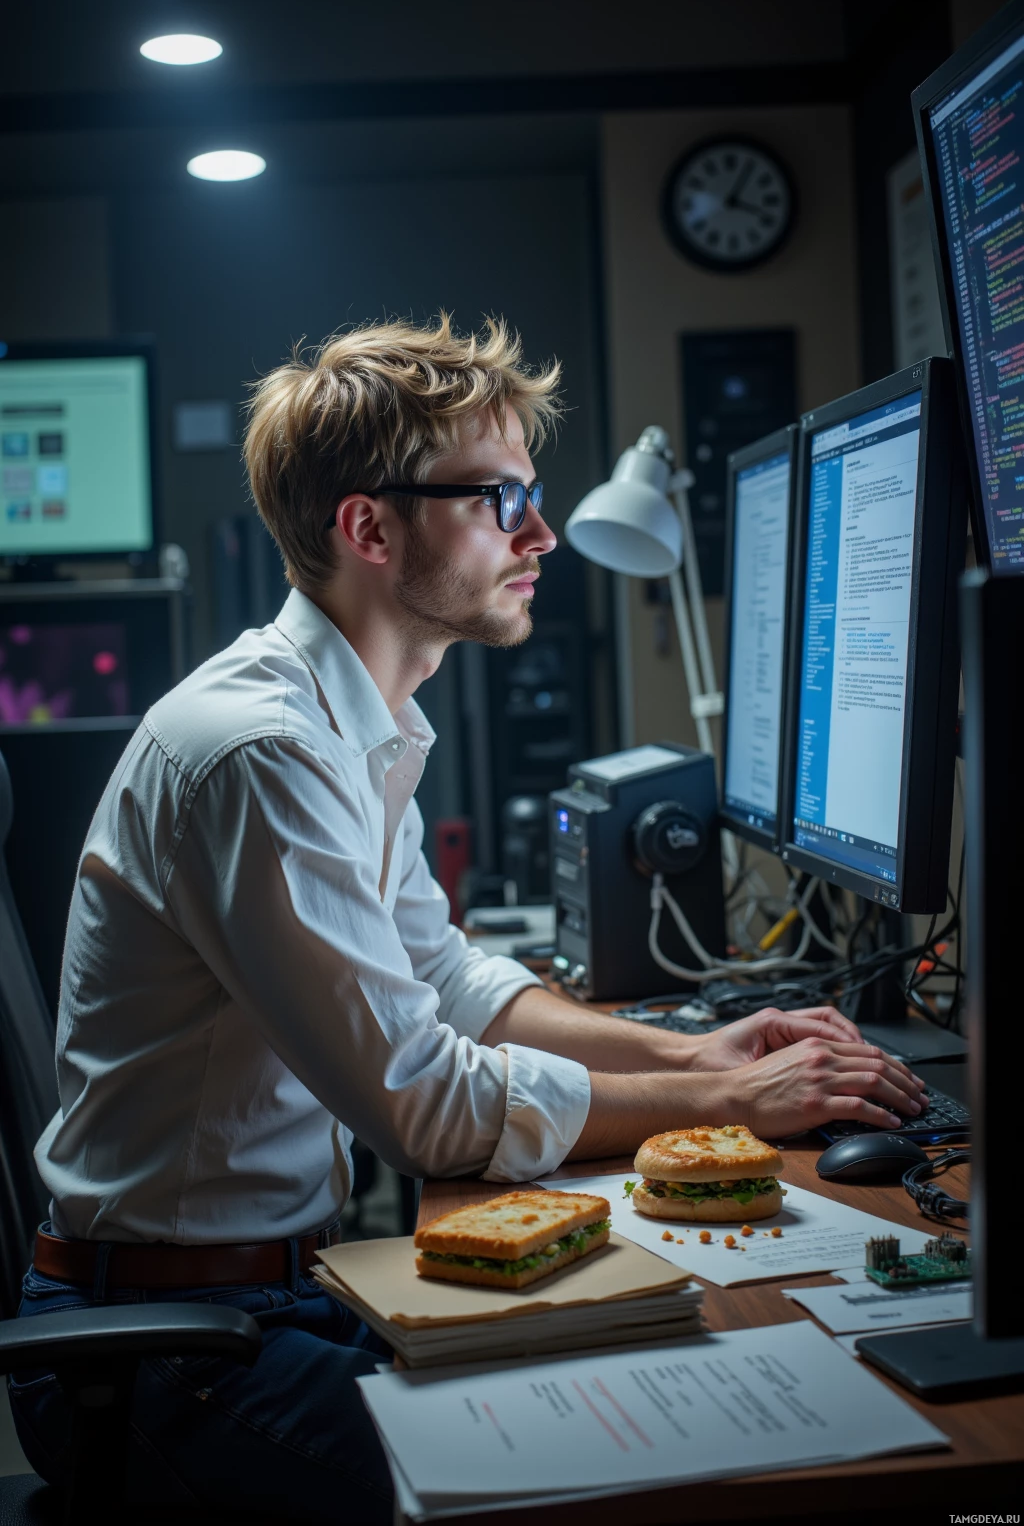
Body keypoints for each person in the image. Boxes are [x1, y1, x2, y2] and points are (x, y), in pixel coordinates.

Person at [9, 316, 926, 1521]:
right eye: (499, 499)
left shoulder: (359, 724)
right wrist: (721, 1103)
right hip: (162, 1363)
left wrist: (688, 1053)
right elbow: (426, 1111)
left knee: (653, 1375)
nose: (539, 533)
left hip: (269, 1298)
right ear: (369, 527)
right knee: (636, 1478)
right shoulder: (261, 754)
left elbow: (441, 976)